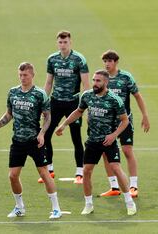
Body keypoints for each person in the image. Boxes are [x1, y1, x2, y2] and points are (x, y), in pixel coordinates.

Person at [0, 62, 62, 219]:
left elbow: (48, 118)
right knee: (13, 175)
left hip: (35, 141)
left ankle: (56, 208)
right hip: (18, 141)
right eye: (20, 75)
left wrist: (42, 134)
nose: (22, 78)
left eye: (25, 75)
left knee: (44, 173)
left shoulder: (40, 94)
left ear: (32, 75)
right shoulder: (13, 92)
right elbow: (8, 115)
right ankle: (19, 207)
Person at [55, 70, 136, 216]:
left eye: (98, 81)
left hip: (108, 141)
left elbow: (125, 120)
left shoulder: (114, 99)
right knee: (86, 171)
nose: (95, 83)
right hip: (92, 141)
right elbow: (79, 111)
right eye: (94, 80)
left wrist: (114, 135)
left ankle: (129, 202)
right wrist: (64, 124)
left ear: (106, 82)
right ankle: (88, 204)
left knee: (116, 168)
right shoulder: (87, 96)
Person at [99, 50, 150, 198]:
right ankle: (114, 186)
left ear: (115, 62)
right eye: (105, 61)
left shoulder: (125, 77)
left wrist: (145, 115)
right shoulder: (103, 78)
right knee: (105, 152)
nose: (107, 64)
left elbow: (138, 96)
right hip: (108, 122)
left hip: (124, 120)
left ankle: (133, 185)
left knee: (127, 151)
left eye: (109, 61)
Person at [41, 30, 90, 184]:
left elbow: (86, 85)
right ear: (57, 43)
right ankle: (49, 169)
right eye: (60, 42)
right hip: (55, 102)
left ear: (70, 42)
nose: (63, 45)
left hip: (73, 103)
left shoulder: (79, 59)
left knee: (76, 137)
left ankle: (79, 172)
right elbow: (49, 82)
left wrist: (86, 105)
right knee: (46, 134)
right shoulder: (52, 59)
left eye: (65, 42)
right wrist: (43, 102)